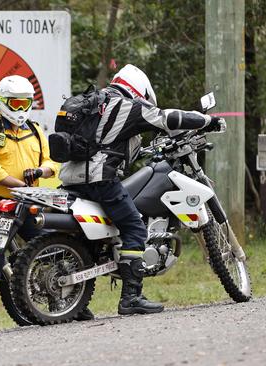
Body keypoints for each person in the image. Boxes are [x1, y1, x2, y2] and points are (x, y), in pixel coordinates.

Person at [59, 64, 226, 315]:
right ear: (140, 90)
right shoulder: (131, 105)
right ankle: (131, 298)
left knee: (87, 238)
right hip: (100, 179)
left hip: (71, 178)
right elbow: (169, 118)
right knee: (135, 227)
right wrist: (207, 120)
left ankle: (76, 302)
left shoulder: (97, 103)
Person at [0, 75, 87, 331]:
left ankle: (70, 304)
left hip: (29, 202)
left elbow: (51, 161)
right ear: (2, 102)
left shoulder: (34, 130)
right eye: (15, 103)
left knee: (51, 248)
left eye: (25, 103)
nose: (20, 109)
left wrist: (41, 172)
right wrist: (21, 184)